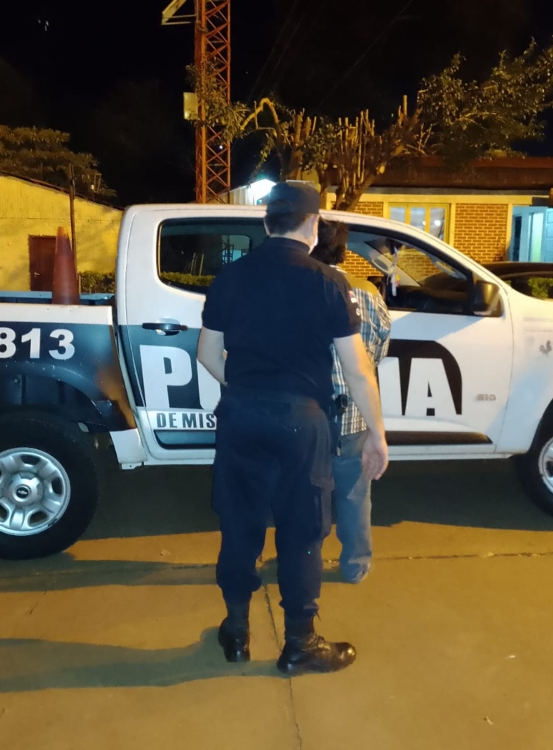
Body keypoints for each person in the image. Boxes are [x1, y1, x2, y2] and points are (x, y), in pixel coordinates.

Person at [196, 182, 389, 676]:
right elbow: (357, 369)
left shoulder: (230, 277)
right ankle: (299, 644)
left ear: (266, 223)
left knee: (239, 523)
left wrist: (246, 389)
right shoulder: (328, 282)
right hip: (302, 420)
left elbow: (207, 355)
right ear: (313, 225)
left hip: (241, 414)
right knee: (302, 530)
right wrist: (377, 432)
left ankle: (236, 631)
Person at [310, 220, 392, 584]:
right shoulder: (368, 293)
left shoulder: (298, 287)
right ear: (343, 251)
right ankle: (356, 565)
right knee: (355, 495)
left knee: (306, 495)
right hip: (354, 415)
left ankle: (305, 562)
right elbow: (378, 351)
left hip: (307, 415)